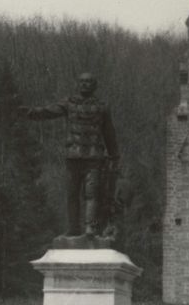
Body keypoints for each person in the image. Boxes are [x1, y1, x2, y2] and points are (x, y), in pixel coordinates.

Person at [21, 72, 120, 240]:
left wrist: (114, 155)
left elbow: (109, 132)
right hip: (73, 156)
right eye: (82, 81)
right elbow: (49, 111)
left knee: (91, 193)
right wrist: (31, 113)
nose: (85, 84)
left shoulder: (103, 107)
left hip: (94, 157)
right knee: (72, 193)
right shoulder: (69, 103)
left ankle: (90, 227)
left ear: (94, 85)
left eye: (89, 82)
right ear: (77, 84)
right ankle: (74, 228)